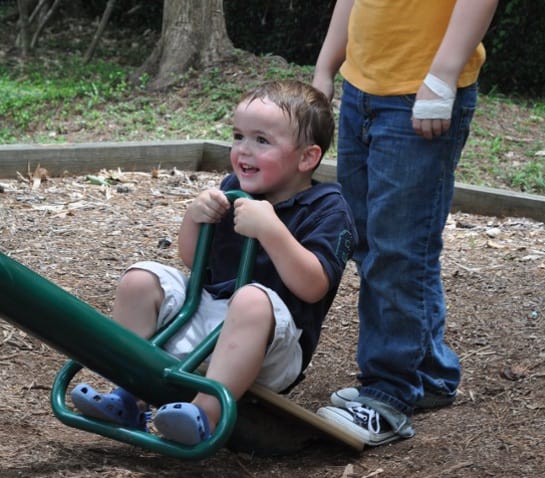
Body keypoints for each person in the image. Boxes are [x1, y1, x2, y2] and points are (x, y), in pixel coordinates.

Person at [70, 79, 357, 446]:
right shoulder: (231, 186)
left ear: (307, 158)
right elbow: (192, 258)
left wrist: (273, 231)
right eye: (238, 136)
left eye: (262, 140)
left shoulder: (328, 208)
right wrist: (194, 216)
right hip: (205, 319)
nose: (243, 151)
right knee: (139, 279)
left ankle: (205, 414)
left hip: (274, 345)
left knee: (251, 299)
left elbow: (314, 286)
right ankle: (130, 395)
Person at [312, 0, 499, 446]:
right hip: (362, 91)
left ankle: (388, 394)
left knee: (399, 249)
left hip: (419, 94)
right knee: (374, 241)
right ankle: (429, 374)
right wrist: (325, 68)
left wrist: (443, 76)